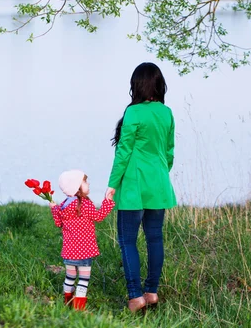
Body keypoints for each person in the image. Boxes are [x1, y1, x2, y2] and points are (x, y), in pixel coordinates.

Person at [104, 62, 177, 313]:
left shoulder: (133, 113)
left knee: (128, 241)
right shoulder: (166, 113)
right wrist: (159, 174)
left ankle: (136, 297)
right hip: (158, 185)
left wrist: (112, 184)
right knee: (155, 239)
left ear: (136, 85)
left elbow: (123, 152)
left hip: (134, 187)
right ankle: (152, 292)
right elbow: (169, 153)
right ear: (159, 85)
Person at [50, 169, 115, 311]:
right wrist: (107, 201)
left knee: (69, 278)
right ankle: (79, 308)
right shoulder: (84, 204)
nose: (88, 183)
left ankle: (67, 302)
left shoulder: (64, 205)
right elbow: (99, 217)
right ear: (76, 186)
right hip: (84, 252)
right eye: (85, 181)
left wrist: (53, 207)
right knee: (83, 280)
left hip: (68, 252)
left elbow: (58, 222)